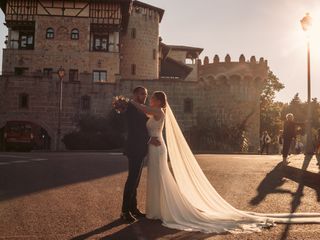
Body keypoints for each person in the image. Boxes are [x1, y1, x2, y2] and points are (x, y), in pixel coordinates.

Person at [129, 91, 320, 234]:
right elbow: (142, 116)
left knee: (160, 178)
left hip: (158, 147)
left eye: (153, 97)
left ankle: (162, 210)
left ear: (160, 101)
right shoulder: (155, 112)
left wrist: (129, 101)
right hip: (154, 147)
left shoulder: (157, 111)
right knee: (155, 178)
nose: (150, 99)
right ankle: (155, 210)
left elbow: (143, 109)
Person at [120, 86, 160, 223]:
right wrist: (149, 139)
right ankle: (124, 211)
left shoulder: (140, 108)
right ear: (135, 94)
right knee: (132, 179)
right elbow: (134, 130)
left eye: (146, 94)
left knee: (136, 181)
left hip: (141, 149)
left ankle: (133, 208)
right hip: (133, 148)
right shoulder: (131, 108)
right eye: (142, 93)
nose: (145, 96)